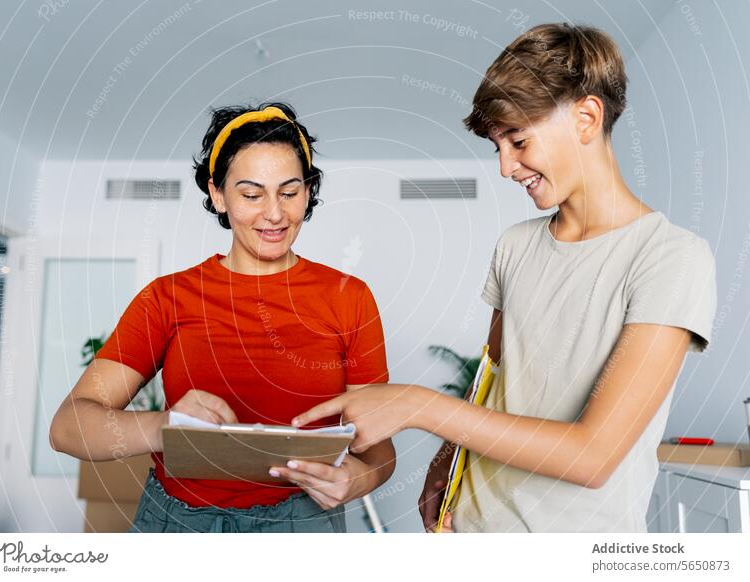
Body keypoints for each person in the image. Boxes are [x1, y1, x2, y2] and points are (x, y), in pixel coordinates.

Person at [290, 23, 717, 533]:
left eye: (517, 141)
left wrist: (419, 405)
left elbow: (593, 457)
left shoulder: (671, 258)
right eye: (497, 146)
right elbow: (490, 378)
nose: (504, 166)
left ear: (586, 117)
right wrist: (443, 464)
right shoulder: (516, 245)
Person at [49, 103, 395, 533]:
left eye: (289, 192)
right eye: (251, 195)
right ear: (218, 195)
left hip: (302, 525)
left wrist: (358, 478)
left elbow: (379, 450)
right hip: (178, 523)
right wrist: (166, 426)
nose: (274, 213)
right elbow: (68, 428)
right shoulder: (167, 298)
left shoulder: (349, 298)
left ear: (308, 192)